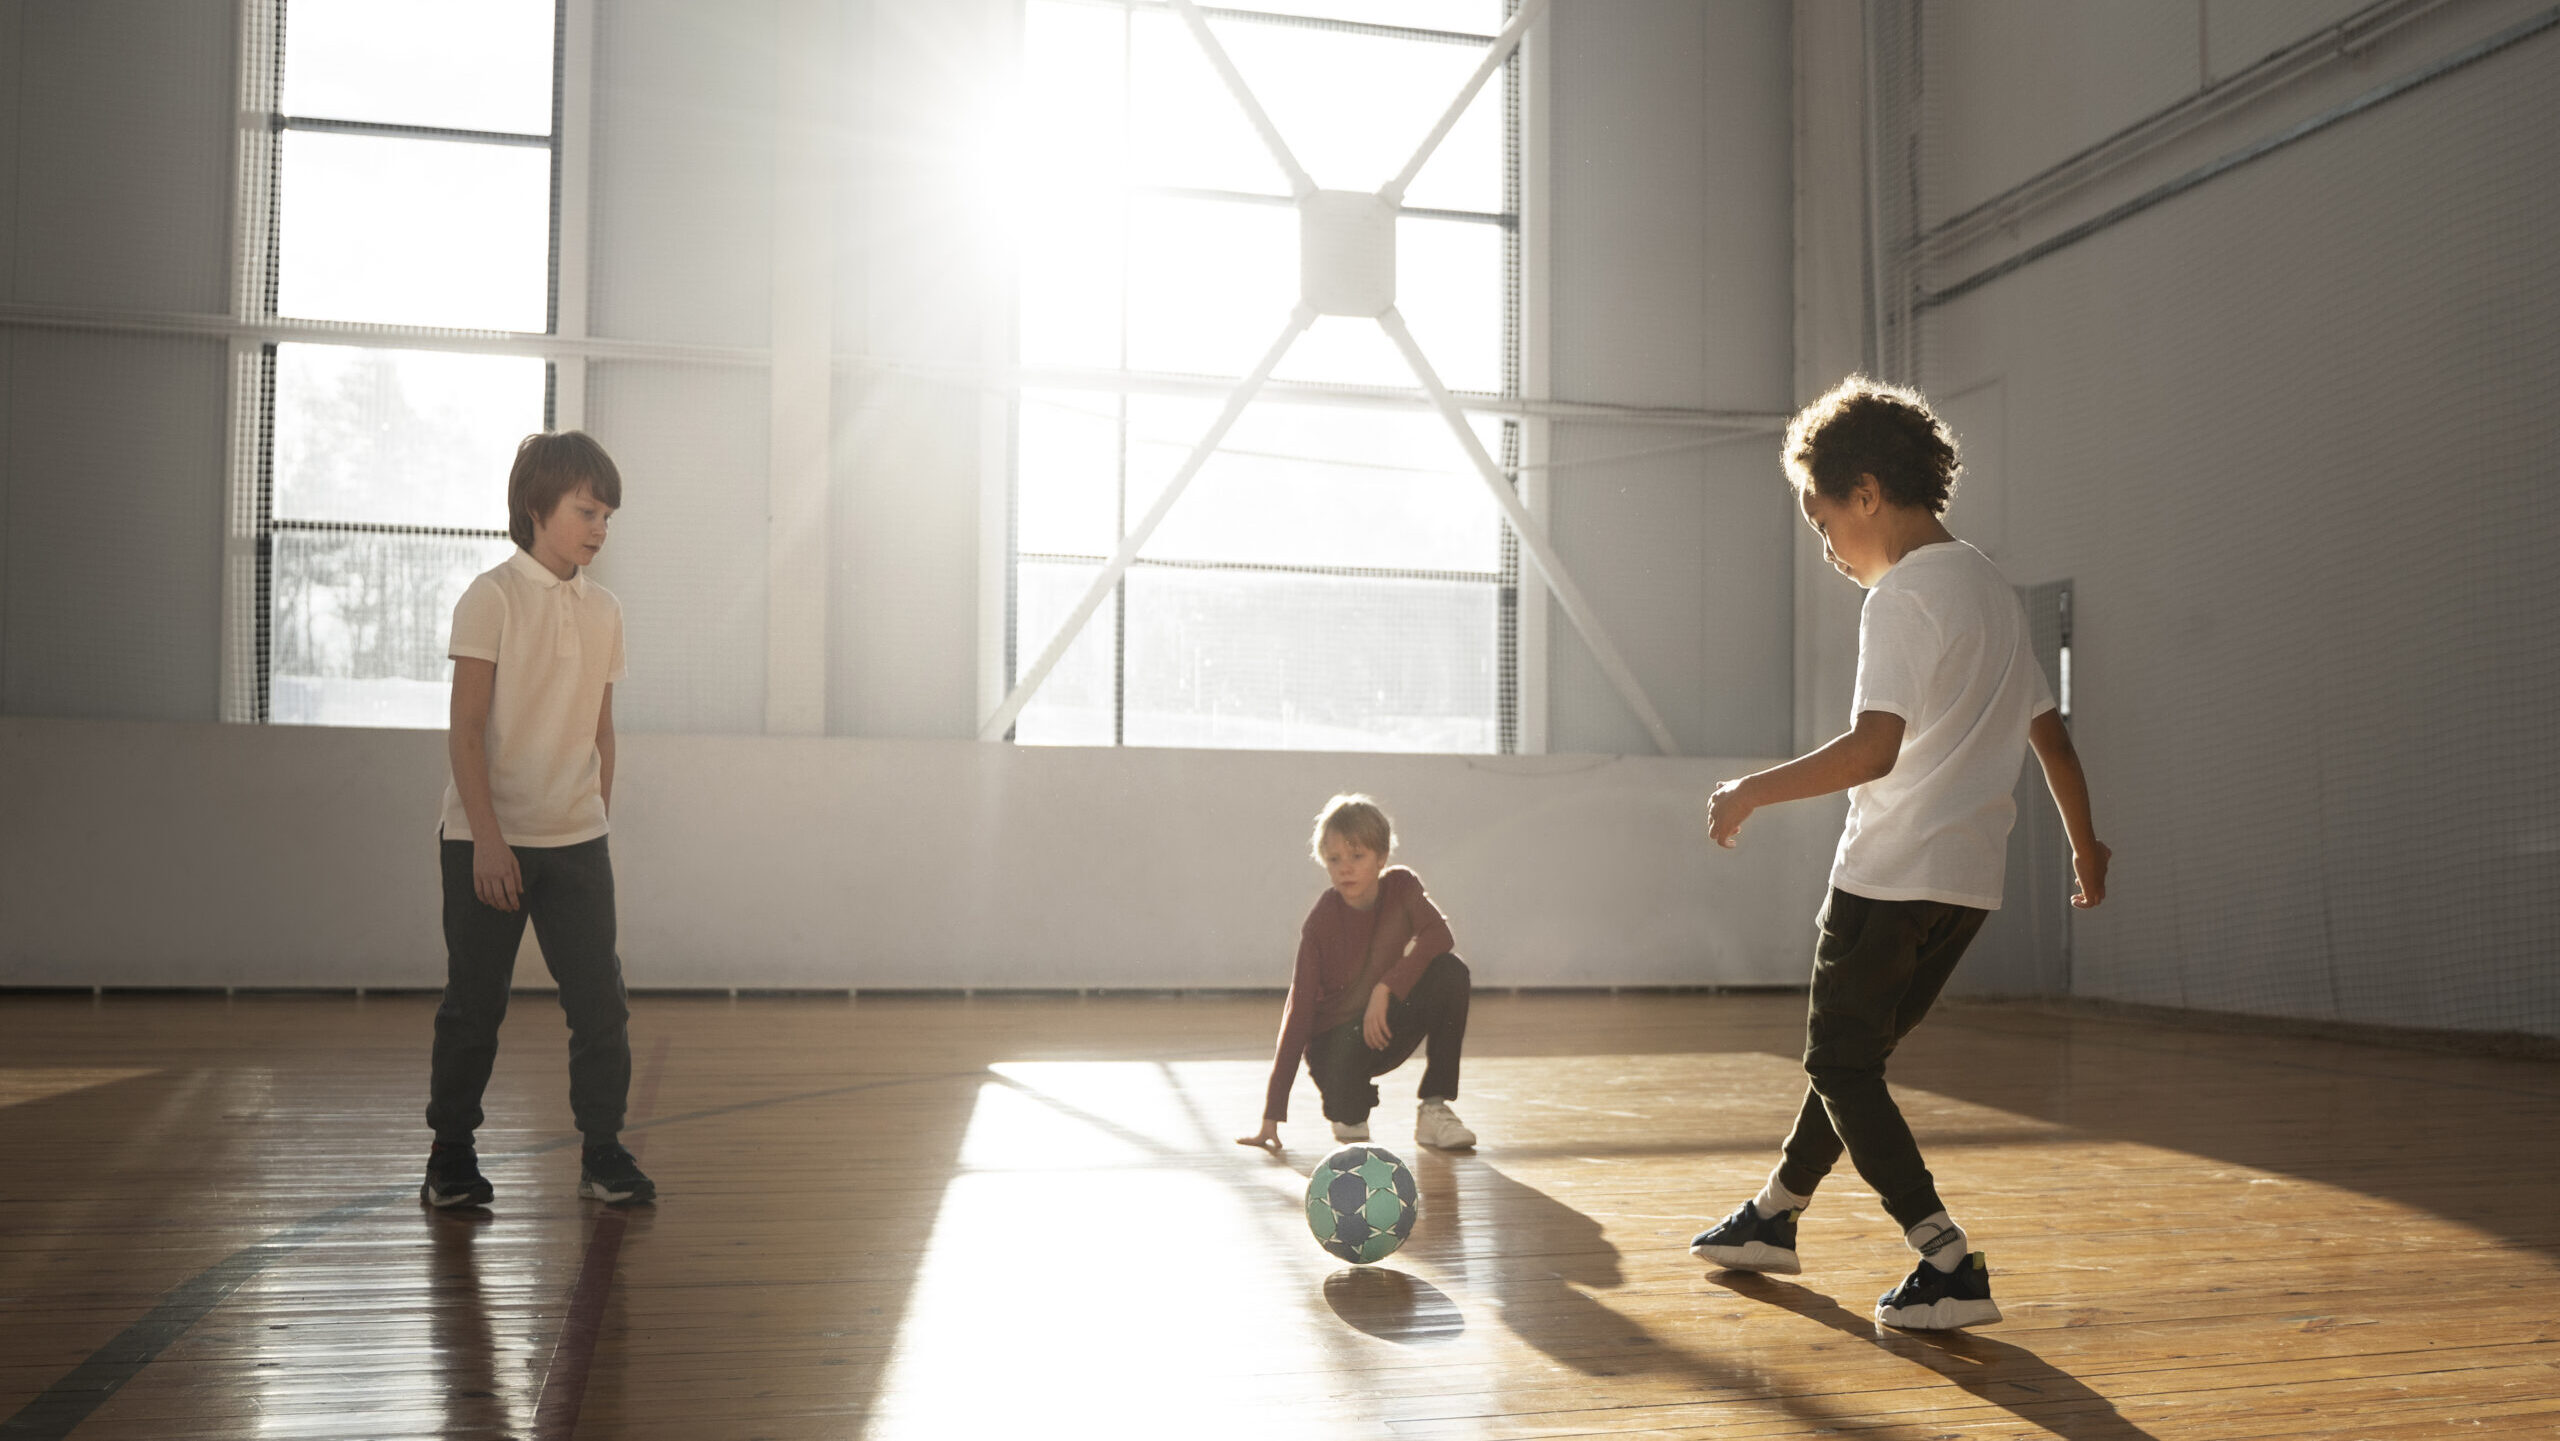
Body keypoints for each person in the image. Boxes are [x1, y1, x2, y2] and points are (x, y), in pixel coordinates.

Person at [1687, 376, 2108, 1330]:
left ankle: (1947, 1260)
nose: (1830, 550)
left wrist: (1752, 788)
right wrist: (2087, 847)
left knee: (1840, 1062)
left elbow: (1875, 747)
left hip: (1887, 876)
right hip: (1966, 889)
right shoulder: (1992, 590)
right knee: (1852, 1059)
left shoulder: (1904, 598)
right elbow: (2055, 739)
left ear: (1867, 492)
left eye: (1825, 521)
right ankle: (1772, 1217)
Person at [420, 431, 655, 1210]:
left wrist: (596, 819)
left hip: (577, 842)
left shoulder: (607, 610)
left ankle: (603, 1149)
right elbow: (464, 728)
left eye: (608, 516)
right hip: (487, 841)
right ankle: (450, 1156)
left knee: (600, 1003)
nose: (599, 527)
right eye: (587, 510)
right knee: (474, 1005)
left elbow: (603, 728)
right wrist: (486, 838)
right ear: (537, 507)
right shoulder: (490, 597)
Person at [1238, 795, 1478, 1153]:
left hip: (1382, 1023)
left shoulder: (1401, 887)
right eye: (1335, 859)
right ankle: (1348, 1109)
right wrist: (1273, 1114)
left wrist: (1386, 987)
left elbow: (1440, 936)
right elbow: (1298, 1015)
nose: (1345, 868)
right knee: (1351, 1126)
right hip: (1336, 1044)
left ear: (1381, 858)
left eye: (1357, 856)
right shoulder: (1320, 923)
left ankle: (1434, 1106)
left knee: (1450, 972)